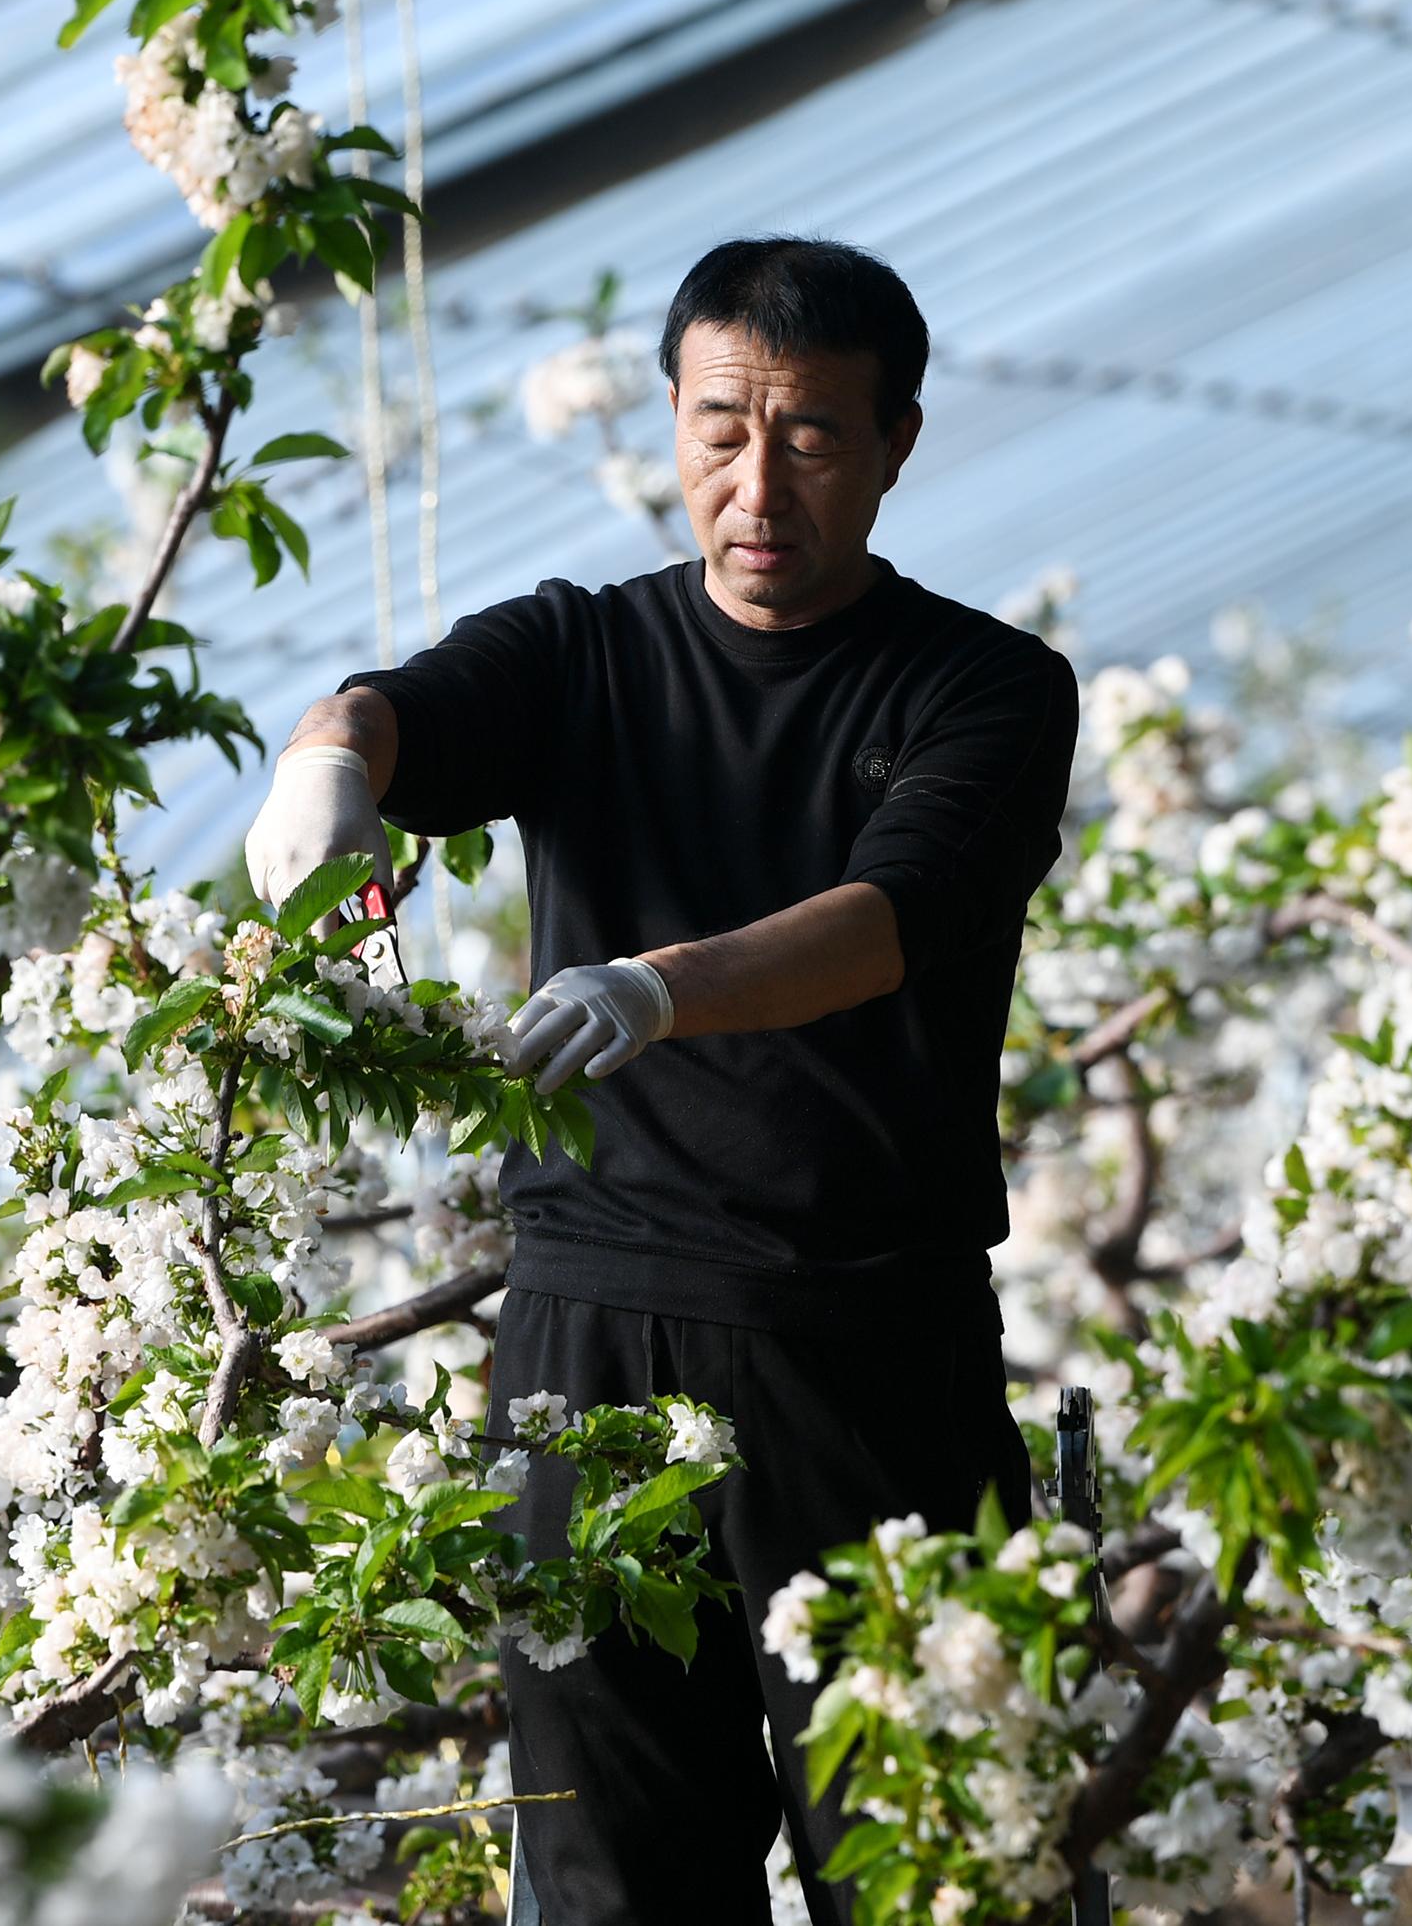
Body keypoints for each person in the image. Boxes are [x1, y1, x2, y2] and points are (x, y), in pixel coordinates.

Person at [243, 237, 1081, 1926]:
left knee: (941, 1850)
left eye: (811, 436)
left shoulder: (986, 686)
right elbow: (407, 706)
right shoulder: (587, 652)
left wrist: (657, 985)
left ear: (899, 440)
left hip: (862, 1347)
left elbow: (888, 917)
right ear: (675, 423)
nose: (754, 483)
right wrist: (331, 760)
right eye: (717, 430)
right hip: (590, 1335)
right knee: (613, 1866)